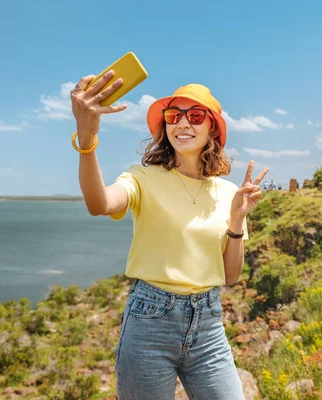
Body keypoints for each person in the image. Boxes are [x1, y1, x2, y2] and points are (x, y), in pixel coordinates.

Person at [70, 72, 268, 400]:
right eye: (174, 116)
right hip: (149, 323)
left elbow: (230, 276)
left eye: (196, 116)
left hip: (208, 325)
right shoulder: (143, 178)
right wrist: (87, 139)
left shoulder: (229, 192)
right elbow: (99, 203)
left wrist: (236, 221)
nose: (183, 124)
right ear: (165, 127)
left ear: (212, 129)